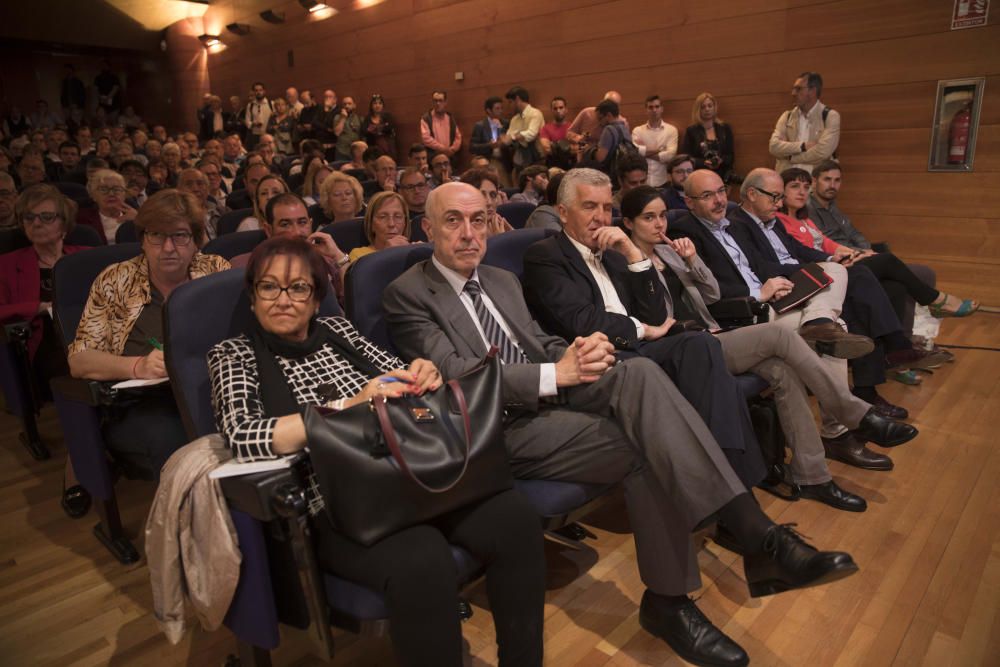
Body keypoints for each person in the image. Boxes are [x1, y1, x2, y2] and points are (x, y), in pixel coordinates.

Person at [384, 181, 860, 667]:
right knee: (647, 442)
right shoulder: (408, 293)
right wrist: (557, 371)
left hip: (552, 396)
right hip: (492, 427)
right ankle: (730, 557)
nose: (469, 234)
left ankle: (709, 571)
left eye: (478, 220)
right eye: (453, 221)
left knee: (638, 370)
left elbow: (536, 341)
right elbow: (457, 373)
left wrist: (575, 353)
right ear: (428, 228)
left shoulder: (500, 280)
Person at [209, 235, 544, 666]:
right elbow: (242, 433)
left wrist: (419, 373)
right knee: (422, 557)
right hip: (336, 503)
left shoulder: (338, 331)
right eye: (269, 287)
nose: (283, 300)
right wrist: (348, 407)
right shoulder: (233, 354)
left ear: (315, 299)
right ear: (253, 296)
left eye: (298, 288)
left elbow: (392, 377)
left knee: (515, 519)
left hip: (407, 474)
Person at [621, 185, 915, 487]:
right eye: (648, 218)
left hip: (713, 333)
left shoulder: (669, 250)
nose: (659, 224)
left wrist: (693, 260)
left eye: (661, 216)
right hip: (686, 347)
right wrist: (639, 260)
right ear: (628, 223)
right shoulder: (622, 262)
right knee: (782, 335)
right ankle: (853, 413)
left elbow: (711, 292)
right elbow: (654, 318)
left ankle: (812, 474)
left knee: (785, 369)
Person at [523, 168, 770, 489]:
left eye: (606, 208)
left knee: (701, 346)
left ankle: (730, 484)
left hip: (638, 347)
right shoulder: (545, 256)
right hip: (601, 358)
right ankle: (734, 491)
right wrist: (640, 330)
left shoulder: (614, 253)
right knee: (703, 365)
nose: (600, 217)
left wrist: (634, 255)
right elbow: (580, 322)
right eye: (589, 207)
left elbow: (655, 316)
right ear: (562, 212)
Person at [68, 189, 229, 478]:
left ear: (195, 241)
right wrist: (138, 366)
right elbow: (79, 360)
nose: (168, 247)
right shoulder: (115, 280)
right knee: (182, 446)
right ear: (143, 240)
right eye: (156, 235)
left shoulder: (215, 269)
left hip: (214, 390)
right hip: (146, 404)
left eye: (180, 235)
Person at [778, 168, 978, 322]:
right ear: (781, 192)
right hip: (824, 272)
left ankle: (898, 352)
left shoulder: (805, 219)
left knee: (896, 287)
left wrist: (852, 253)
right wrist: (847, 257)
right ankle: (937, 301)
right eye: (795, 186)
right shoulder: (781, 221)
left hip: (838, 263)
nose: (802, 192)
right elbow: (805, 253)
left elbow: (829, 243)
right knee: (888, 261)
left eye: (805, 187)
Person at [0, 185, 91, 515]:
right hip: (43, 346)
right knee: (79, 378)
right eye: (29, 217)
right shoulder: (9, 263)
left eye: (46, 216)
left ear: (63, 224)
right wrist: (36, 305)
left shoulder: (83, 257)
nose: (36, 223)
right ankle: (77, 468)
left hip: (92, 336)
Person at [769, 72, 840, 174]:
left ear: (813, 91)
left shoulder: (830, 116)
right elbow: (773, 147)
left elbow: (822, 152)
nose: (793, 93)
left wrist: (791, 157)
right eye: (793, 89)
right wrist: (802, 146)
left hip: (815, 185)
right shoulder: (787, 116)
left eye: (798, 89)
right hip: (787, 183)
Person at [680, 92, 736, 184]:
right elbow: (686, 158)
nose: (707, 109)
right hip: (700, 176)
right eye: (703, 107)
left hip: (723, 176)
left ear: (714, 107)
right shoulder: (691, 131)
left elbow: (731, 156)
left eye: (710, 106)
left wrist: (720, 161)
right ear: (698, 110)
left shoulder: (725, 128)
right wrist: (704, 163)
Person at [346, 191, 412, 265]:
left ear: (405, 223)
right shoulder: (359, 255)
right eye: (382, 217)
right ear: (371, 224)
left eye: (398, 217)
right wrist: (386, 254)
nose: (391, 224)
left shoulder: (414, 252)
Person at [77, 169, 138, 244]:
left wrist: (139, 221)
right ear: (93, 196)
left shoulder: (137, 217)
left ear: (124, 195)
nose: (111, 194)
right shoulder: (82, 219)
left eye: (116, 189)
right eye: (103, 189)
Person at [631, 95, 678, 187]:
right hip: (642, 183)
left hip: (663, 182)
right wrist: (660, 149)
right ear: (646, 110)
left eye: (657, 106)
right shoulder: (637, 131)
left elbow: (670, 156)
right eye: (650, 107)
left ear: (662, 109)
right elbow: (634, 154)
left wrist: (644, 151)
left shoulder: (671, 130)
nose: (654, 110)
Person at [501, 86, 545, 178]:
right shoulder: (514, 119)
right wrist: (504, 140)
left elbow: (531, 134)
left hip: (535, 157)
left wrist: (513, 137)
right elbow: (508, 138)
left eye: (510, 102)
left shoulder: (535, 113)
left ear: (517, 99)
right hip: (521, 160)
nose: (509, 106)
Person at [469, 96, 510, 187]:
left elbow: (511, 143)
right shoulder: (480, 126)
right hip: (487, 161)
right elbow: (472, 147)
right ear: (489, 110)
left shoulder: (506, 123)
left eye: (501, 108)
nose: (500, 111)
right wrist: (489, 145)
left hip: (503, 162)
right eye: (497, 108)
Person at [459, 168, 511, 236]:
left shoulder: (501, 226)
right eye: (481, 195)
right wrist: (500, 240)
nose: (489, 202)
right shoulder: (461, 234)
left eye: (493, 195)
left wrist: (513, 234)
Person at [177, 168, 222, 240]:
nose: (195, 189)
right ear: (179, 190)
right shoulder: (175, 217)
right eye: (189, 184)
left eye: (200, 183)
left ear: (207, 188)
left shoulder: (223, 211)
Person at [419, 90, 461, 165]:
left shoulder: (450, 118)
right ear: (432, 102)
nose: (438, 103)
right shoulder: (426, 119)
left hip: (450, 157)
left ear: (445, 102)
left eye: (440, 101)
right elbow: (426, 138)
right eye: (435, 101)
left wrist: (452, 150)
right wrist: (443, 149)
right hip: (433, 158)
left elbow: (458, 136)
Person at [362, 94, 397, 160]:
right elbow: (364, 131)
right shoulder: (367, 118)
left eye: (380, 103)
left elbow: (390, 127)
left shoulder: (388, 116)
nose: (377, 105)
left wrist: (375, 129)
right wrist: (381, 128)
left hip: (388, 147)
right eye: (375, 103)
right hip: (373, 149)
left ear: (383, 105)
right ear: (371, 106)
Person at [244, 82, 273, 150]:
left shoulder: (271, 104)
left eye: (260, 90)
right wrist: (253, 124)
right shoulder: (250, 105)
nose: (258, 92)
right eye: (256, 90)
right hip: (255, 136)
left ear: (264, 91)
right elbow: (247, 122)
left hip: (268, 135)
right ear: (254, 92)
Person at [332, 96, 362, 162]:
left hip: (355, 152)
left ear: (354, 105)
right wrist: (343, 118)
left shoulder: (359, 118)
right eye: (344, 104)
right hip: (341, 151)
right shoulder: (337, 117)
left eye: (349, 104)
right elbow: (337, 133)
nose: (347, 106)